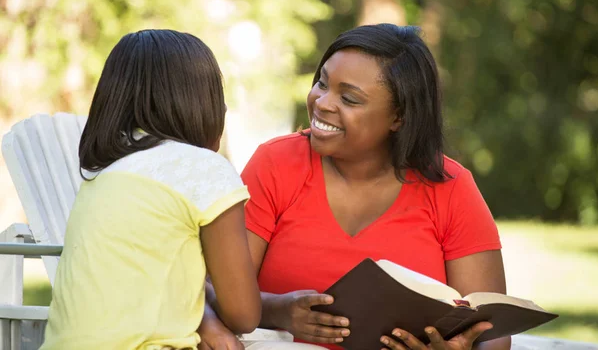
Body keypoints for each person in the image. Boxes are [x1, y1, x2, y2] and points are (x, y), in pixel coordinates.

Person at [199, 24, 510, 350]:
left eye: (348, 98)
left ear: (399, 117)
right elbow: (211, 289)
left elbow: (493, 331)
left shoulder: (450, 187)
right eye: (322, 83)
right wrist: (281, 312)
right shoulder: (276, 163)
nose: (322, 102)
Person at [41, 29, 261, 350]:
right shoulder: (203, 170)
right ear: (204, 103)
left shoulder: (105, 176)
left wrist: (206, 319)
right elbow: (244, 315)